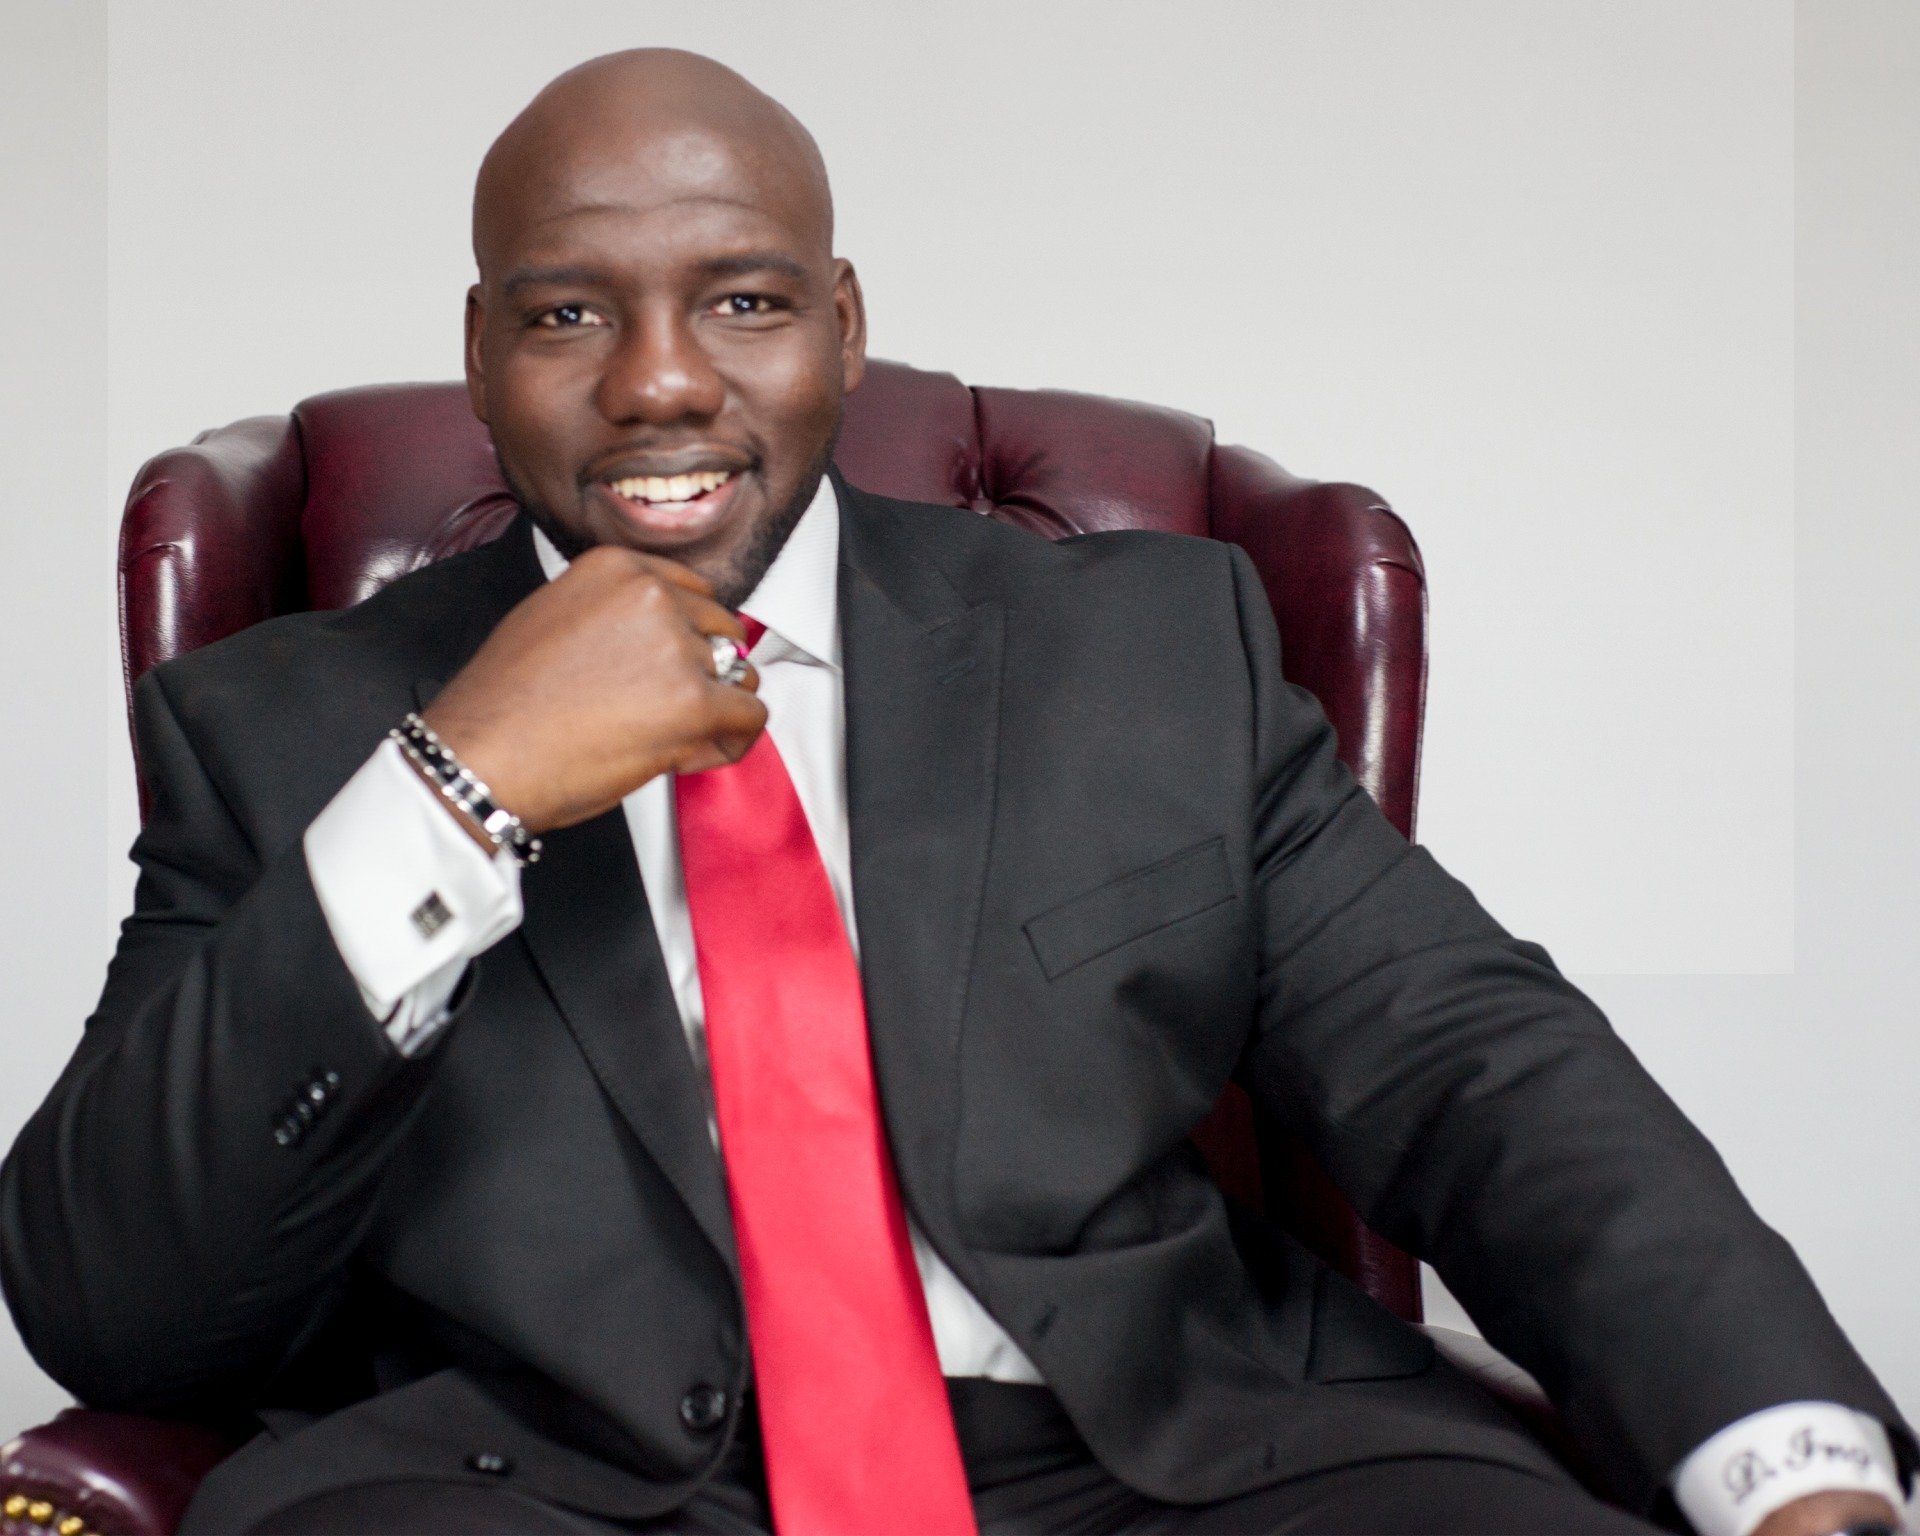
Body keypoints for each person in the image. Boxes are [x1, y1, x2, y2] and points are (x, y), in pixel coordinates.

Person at [1, 47, 1909, 1536]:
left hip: (1177, 1464)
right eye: (570, 314)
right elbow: (115, 1308)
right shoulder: (271, 726)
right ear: (482, 361)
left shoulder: (1152, 651)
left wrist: (1788, 1457)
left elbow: (1477, 1071)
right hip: (540, 1490)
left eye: (740, 300)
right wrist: (458, 783)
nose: (662, 383)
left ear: (841, 323)